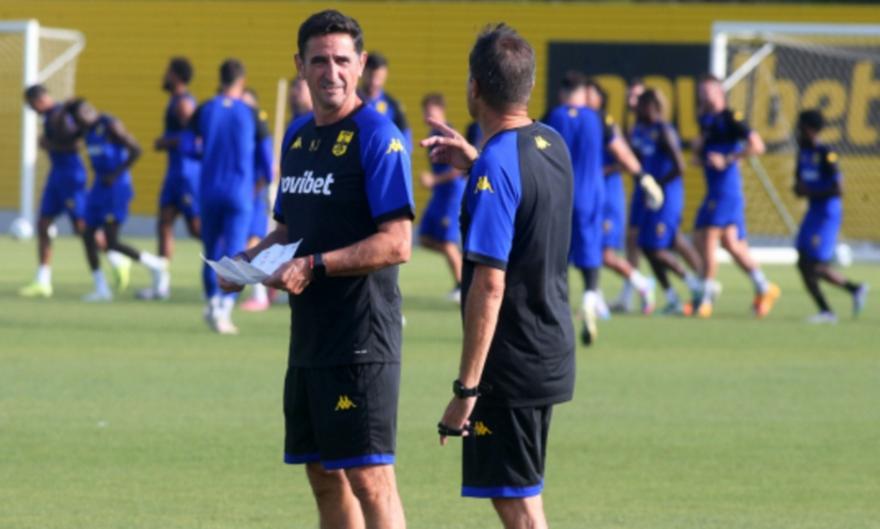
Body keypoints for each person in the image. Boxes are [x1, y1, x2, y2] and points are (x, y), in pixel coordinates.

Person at [220, 10, 413, 528]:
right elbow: (288, 229)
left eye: (342, 60)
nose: (332, 72)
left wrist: (316, 265)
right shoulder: (298, 136)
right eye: (320, 61)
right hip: (309, 338)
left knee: (370, 479)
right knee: (324, 474)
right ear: (299, 66)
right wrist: (246, 262)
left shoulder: (379, 137)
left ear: (361, 64)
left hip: (362, 340)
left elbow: (398, 243)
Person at [424, 23, 574, 529]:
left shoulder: (497, 165)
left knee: (518, 506)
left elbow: (490, 284)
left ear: (474, 87)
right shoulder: (552, 143)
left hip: (511, 363)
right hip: (547, 344)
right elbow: (527, 201)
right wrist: (477, 165)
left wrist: (466, 390)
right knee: (520, 498)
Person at [544, 72, 662, 345]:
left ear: (562, 93)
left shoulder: (552, 116)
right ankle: (590, 300)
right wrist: (643, 178)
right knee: (592, 254)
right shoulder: (598, 118)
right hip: (589, 198)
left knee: (555, 258)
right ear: (583, 93)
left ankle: (556, 314)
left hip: (557, 198)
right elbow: (621, 151)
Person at [692, 74, 780, 318]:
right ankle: (764, 286)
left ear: (720, 92)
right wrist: (700, 156)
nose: (704, 95)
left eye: (708, 90)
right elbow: (705, 152)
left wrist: (728, 159)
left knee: (708, 237)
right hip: (714, 189)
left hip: (726, 190)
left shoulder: (731, 118)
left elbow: (757, 145)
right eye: (701, 91)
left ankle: (705, 298)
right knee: (729, 244)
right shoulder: (706, 121)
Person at [191, 59, 263, 334]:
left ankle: (212, 302)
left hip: (209, 190)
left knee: (210, 250)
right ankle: (224, 309)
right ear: (242, 81)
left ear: (220, 79)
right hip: (239, 192)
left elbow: (190, 146)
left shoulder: (205, 109)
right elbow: (267, 160)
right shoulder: (251, 113)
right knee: (236, 253)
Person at [70, 100, 167, 301]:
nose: (77, 124)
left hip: (116, 187)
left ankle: (155, 265)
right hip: (98, 187)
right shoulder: (85, 130)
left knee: (111, 241)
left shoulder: (110, 125)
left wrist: (115, 175)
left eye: (77, 119)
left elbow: (136, 150)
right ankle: (101, 288)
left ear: (85, 113)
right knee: (87, 234)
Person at [584, 79, 656, 317]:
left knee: (604, 255)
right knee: (587, 250)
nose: (585, 97)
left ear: (600, 99)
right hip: (590, 196)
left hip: (608, 196)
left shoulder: (606, 124)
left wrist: (603, 170)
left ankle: (642, 284)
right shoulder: (582, 123)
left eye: (590, 93)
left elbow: (624, 159)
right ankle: (597, 300)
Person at [792, 109, 868, 323]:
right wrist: (799, 189)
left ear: (809, 129)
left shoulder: (826, 153)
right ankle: (853, 290)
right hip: (813, 212)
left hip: (827, 214)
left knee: (813, 264)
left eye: (800, 126)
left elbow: (838, 189)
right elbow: (798, 185)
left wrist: (810, 191)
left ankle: (828, 311)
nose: (797, 130)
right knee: (803, 262)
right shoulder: (802, 153)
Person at [630, 90, 701, 315]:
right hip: (649, 196)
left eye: (641, 105)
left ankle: (695, 285)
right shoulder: (639, 130)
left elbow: (680, 166)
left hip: (667, 197)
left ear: (652, 106)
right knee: (646, 246)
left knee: (657, 247)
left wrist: (657, 184)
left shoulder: (664, 130)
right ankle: (671, 298)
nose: (637, 109)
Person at [19, 85, 88, 299]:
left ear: (38, 101)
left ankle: (115, 256)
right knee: (43, 224)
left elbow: (75, 145)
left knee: (81, 227)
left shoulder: (60, 115)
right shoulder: (50, 117)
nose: (32, 110)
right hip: (56, 175)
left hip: (70, 175)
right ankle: (43, 280)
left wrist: (49, 145)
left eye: (31, 105)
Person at [142, 57, 200, 300]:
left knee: (197, 229)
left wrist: (167, 142)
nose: (164, 76)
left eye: (168, 71)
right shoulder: (174, 101)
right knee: (164, 222)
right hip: (174, 173)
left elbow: (198, 138)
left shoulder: (184, 104)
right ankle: (161, 284)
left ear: (176, 75)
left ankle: (231, 266)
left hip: (186, 174)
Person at [418, 93, 465, 302]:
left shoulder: (448, 134)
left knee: (446, 242)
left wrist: (434, 180)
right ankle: (461, 260)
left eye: (431, 112)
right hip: (439, 194)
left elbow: (460, 169)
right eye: (425, 112)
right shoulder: (432, 134)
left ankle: (462, 286)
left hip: (451, 194)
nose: (427, 116)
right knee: (425, 238)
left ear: (441, 111)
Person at [239, 87, 275, 312]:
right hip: (242, 192)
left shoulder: (258, 129)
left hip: (254, 193)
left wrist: (263, 186)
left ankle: (260, 295)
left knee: (253, 243)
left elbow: (268, 165)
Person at [360, 51, 412, 149]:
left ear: (385, 75)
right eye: (370, 76)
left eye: (378, 77)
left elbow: (405, 138)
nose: (374, 82)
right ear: (362, 71)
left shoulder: (393, 105)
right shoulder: (349, 102)